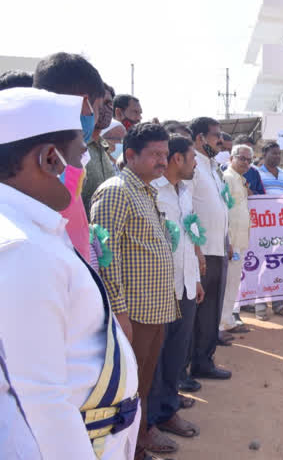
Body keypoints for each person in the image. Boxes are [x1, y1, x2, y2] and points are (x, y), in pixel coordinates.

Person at [0, 87, 139, 459]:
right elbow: (39, 404)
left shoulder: (32, 227)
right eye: (79, 155)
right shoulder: (20, 249)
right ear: (49, 158)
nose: (82, 168)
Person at [90, 123, 176, 459]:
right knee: (127, 387)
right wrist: (120, 313)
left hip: (154, 310)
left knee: (143, 383)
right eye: (155, 154)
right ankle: (125, 449)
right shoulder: (116, 190)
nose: (162, 161)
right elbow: (104, 257)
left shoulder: (145, 190)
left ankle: (137, 443)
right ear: (130, 155)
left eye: (165, 155)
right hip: (133, 314)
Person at [146, 134, 203, 455]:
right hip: (159, 289)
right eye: (192, 157)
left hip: (185, 284)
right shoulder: (152, 190)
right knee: (154, 359)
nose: (195, 162)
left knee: (175, 356)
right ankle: (149, 422)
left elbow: (188, 233)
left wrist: (195, 276)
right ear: (177, 159)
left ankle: (168, 411)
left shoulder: (185, 190)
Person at [33, 52, 105, 260]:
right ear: (85, 103)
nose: (98, 116)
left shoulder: (33, 154)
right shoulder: (59, 162)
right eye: (98, 108)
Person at [187, 116, 236, 377]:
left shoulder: (214, 168)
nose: (220, 140)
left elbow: (221, 207)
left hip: (219, 249)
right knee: (195, 314)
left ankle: (204, 362)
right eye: (215, 135)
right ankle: (188, 368)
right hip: (201, 252)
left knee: (212, 312)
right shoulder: (190, 166)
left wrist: (227, 238)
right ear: (200, 138)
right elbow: (186, 209)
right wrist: (195, 248)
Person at [253, 141, 283, 318]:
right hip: (262, 228)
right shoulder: (256, 173)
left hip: (282, 227)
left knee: (279, 265)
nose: (277, 156)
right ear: (264, 153)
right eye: (274, 153)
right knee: (260, 265)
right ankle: (260, 305)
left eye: (279, 153)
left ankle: (279, 304)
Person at [219, 144, 255, 334]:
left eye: (249, 160)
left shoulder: (240, 180)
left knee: (233, 282)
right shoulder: (227, 178)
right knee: (226, 284)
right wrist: (228, 241)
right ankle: (221, 324)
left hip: (239, 241)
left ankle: (227, 320)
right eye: (242, 158)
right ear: (231, 158)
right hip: (231, 241)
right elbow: (223, 212)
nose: (246, 163)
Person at [82, 82, 117, 217]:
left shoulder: (105, 149)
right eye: (102, 103)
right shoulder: (77, 150)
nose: (106, 109)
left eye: (109, 103)